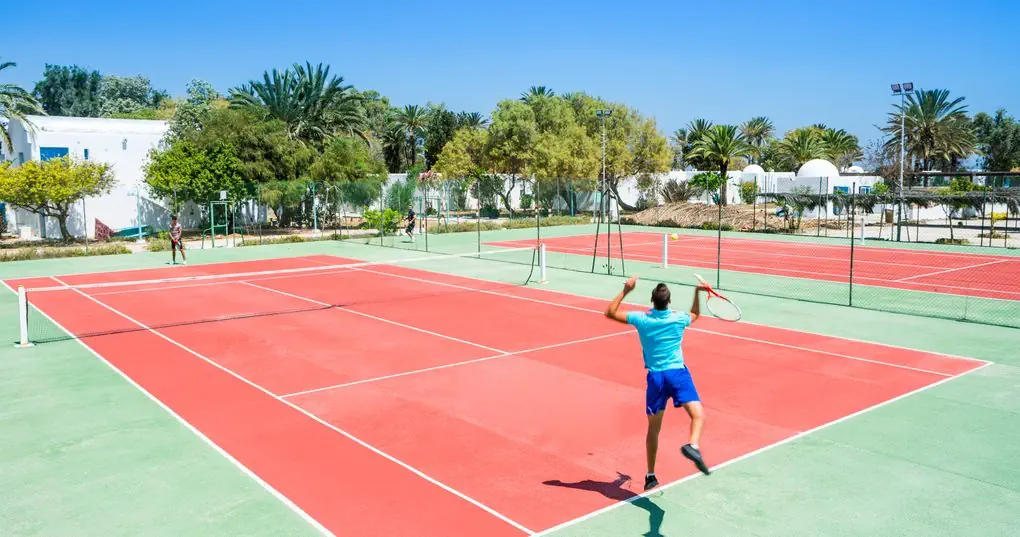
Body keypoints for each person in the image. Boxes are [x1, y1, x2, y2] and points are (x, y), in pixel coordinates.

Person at [605, 275, 711, 490]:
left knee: (653, 430)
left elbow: (610, 312)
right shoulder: (679, 319)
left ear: (652, 301)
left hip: (656, 379)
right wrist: (697, 292)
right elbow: (695, 314)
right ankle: (693, 445)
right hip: (677, 374)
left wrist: (626, 290)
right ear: (669, 301)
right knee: (698, 415)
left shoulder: (642, 319)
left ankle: (651, 475)